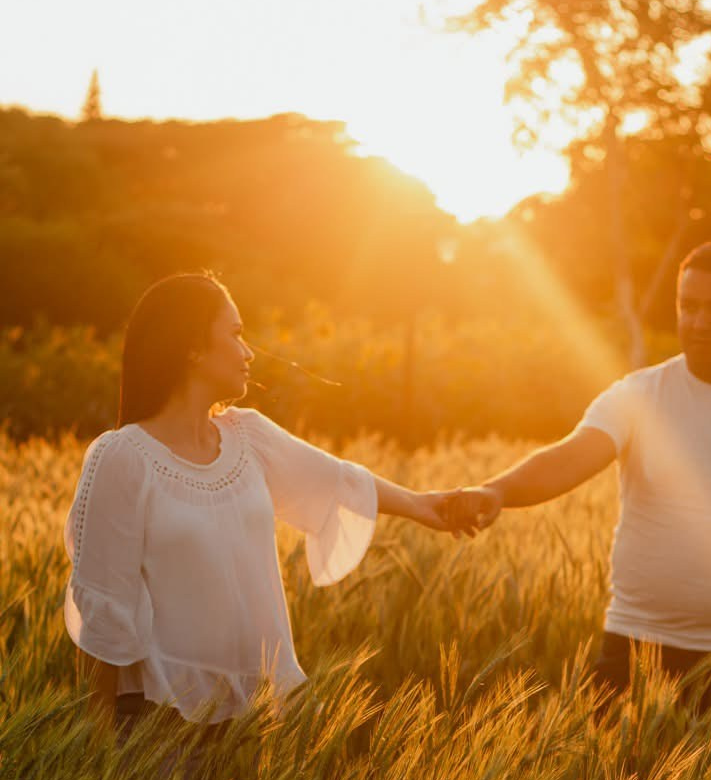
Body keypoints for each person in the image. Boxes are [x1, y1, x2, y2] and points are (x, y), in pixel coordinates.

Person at [64, 272, 463, 737]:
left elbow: (336, 479)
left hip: (254, 722)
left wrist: (422, 505)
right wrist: (95, 760)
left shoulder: (247, 436)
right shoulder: (123, 458)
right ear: (192, 348)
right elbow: (104, 611)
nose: (249, 351)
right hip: (161, 723)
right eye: (235, 334)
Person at [447, 240, 711, 698]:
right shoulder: (638, 396)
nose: (699, 322)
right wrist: (497, 491)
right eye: (688, 306)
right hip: (633, 649)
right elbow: (571, 455)